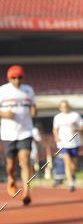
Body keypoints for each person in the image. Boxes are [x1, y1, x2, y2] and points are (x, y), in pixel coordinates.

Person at [0, 65, 36, 205]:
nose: (17, 80)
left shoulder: (28, 90)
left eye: (19, 77)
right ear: (9, 78)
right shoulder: (3, 90)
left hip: (25, 131)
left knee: (25, 160)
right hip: (8, 133)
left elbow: (33, 106)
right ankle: (11, 176)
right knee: (11, 165)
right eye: (14, 78)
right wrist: (4, 114)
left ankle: (26, 193)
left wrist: (34, 110)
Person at [52, 100, 83, 191]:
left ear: (68, 107)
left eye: (65, 106)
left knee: (73, 165)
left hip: (75, 143)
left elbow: (82, 127)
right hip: (63, 144)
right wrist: (56, 136)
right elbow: (55, 129)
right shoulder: (57, 117)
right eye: (62, 107)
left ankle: (72, 174)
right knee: (67, 162)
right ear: (60, 108)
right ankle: (71, 183)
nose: (64, 108)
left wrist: (76, 130)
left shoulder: (75, 115)